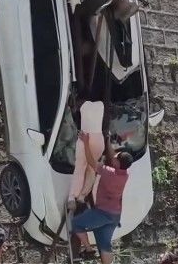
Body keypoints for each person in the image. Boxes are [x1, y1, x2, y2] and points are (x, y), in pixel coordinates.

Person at [71, 130, 133, 264]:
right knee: (104, 244)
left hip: (103, 213)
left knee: (76, 224)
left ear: (116, 164)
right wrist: (108, 140)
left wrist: (86, 142)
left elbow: (91, 162)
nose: (114, 157)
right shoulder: (125, 174)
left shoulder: (108, 173)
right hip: (115, 216)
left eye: (116, 158)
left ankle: (88, 249)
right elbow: (113, 158)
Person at [68, 100, 105, 211]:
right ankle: (82, 196)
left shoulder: (84, 104)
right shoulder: (101, 104)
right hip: (99, 140)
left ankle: (72, 197)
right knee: (91, 169)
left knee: (80, 168)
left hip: (85, 137)